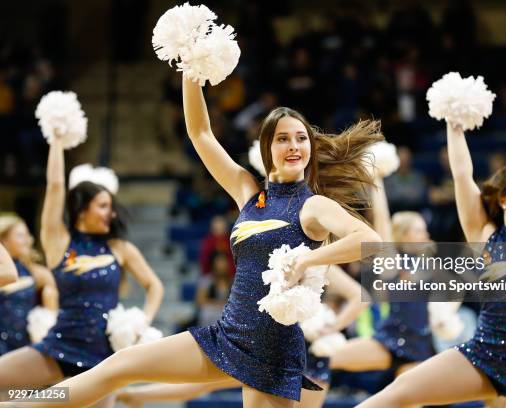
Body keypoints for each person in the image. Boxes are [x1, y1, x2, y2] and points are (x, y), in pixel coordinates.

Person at [7, 74, 382, 408]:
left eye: (301, 138)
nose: (294, 146)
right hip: (227, 334)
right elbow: (200, 133)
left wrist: (306, 261)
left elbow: (369, 238)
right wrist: (191, 65)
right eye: (283, 138)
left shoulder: (312, 205)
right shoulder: (247, 194)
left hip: (272, 347)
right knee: (120, 366)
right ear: (266, 148)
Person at [356, 122, 506, 408]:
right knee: (403, 388)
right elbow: (462, 176)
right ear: (503, 198)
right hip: (487, 351)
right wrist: (454, 126)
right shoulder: (485, 235)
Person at [0, 137, 163, 408]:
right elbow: (54, 187)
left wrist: (142, 322)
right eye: (103, 206)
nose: (110, 214)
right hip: (59, 347)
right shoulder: (59, 242)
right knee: (17, 395)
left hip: (103, 359)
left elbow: (154, 285)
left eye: (111, 208)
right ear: (81, 208)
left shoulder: (120, 247)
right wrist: (56, 141)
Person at [115, 264, 368, 408]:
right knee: (204, 383)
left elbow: (360, 295)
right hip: (265, 344)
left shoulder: (321, 262)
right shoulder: (276, 252)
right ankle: (131, 395)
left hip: (308, 357)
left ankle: (131, 394)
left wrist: (329, 328)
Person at [329, 175, 435, 387]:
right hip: (390, 340)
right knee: (323, 357)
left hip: (420, 345)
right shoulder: (393, 261)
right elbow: (383, 222)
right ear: (403, 235)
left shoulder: (430, 264)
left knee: (409, 401)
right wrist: (376, 183)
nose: (426, 235)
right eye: (419, 230)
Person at [0, 214, 58, 355]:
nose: (28, 240)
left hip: (26, 344)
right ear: (3, 240)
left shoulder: (38, 274)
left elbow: (51, 313)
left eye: (28, 235)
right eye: (20, 236)